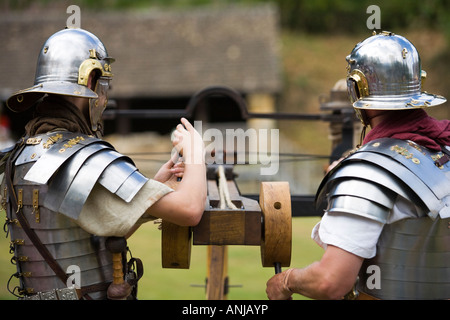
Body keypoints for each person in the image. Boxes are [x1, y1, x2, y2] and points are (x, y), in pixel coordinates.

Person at [1, 28, 206, 300]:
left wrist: (151, 188)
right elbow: (190, 210)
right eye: (103, 87)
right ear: (91, 81)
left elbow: (93, 229)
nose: (104, 100)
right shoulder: (81, 157)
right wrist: (195, 153)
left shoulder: (20, 156)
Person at [266, 31, 450, 300]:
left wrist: (285, 281)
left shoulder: (365, 174)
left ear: (357, 88)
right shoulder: (444, 146)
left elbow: (330, 281)